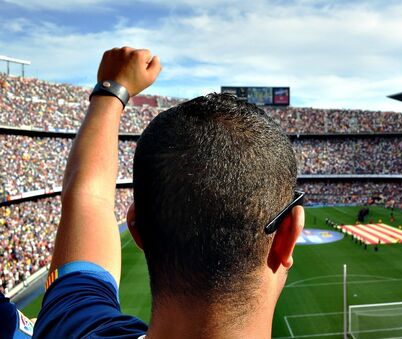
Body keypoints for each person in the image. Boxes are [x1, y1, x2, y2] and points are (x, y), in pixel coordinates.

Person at [33, 47, 305, 338]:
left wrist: (111, 91)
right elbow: (87, 198)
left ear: (137, 230)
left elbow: (88, 198)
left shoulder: (74, 328)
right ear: (287, 236)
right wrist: (111, 92)